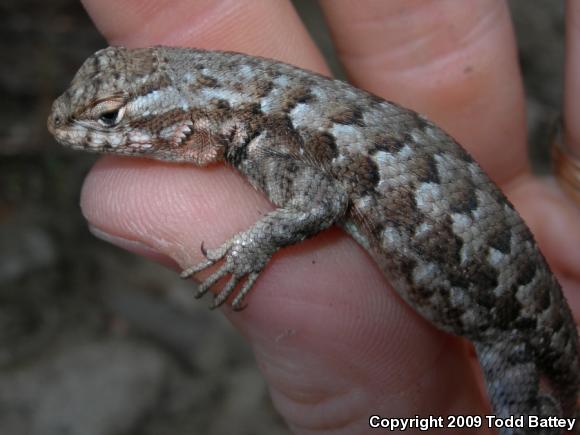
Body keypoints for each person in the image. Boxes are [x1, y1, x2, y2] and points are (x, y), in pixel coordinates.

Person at [77, 1, 580, 433]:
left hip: (506, 323)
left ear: (182, 121)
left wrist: (253, 247)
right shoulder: (256, 104)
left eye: (109, 120)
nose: (95, 131)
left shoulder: (263, 136)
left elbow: (320, 204)